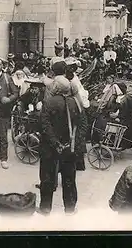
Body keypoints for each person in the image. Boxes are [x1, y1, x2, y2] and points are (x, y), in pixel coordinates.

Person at [39, 76, 86, 215]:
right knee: (69, 178)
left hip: (50, 148)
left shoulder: (48, 102)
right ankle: (70, 209)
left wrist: (55, 143)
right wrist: (74, 142)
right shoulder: (76, 102)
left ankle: (45, 209)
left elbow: (44, 126)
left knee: (47, 178)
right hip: (69, 148)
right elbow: (83, 125)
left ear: (56, 87)